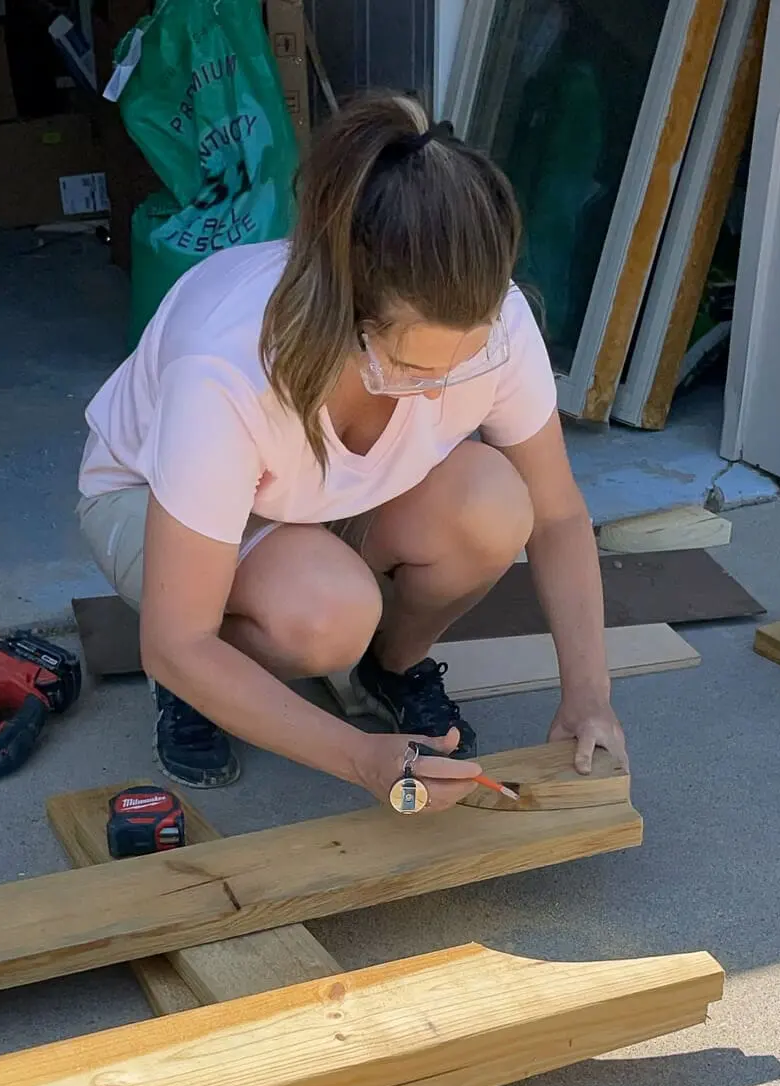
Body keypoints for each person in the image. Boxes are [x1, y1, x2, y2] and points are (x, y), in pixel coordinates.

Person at [77, 92, 626, 814]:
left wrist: (589, 696)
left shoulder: (495, 320)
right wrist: (362, 760)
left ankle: (389, 668)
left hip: (318, 497)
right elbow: (177, 640)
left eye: (466, 363)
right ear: (350, 313)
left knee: (496, 506)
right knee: (323, 615)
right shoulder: (230, 369)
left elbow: (556, 517)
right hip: (149, 497)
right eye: (419, 368)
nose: (443, 396)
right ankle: (209, 694)